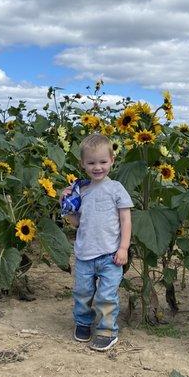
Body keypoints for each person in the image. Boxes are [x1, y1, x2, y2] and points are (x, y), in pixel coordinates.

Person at [60, 133, 133, 351]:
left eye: (102, 162)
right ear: (83, 164)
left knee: (106, 295)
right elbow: (76, 222)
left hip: (111, 255)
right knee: (82, 293)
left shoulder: (116, 188)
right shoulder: (81, 191)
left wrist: (124, 247)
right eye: (91, 163)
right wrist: (64, 203)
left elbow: (125, 219)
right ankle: (83, 322)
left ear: (112, 160)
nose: (97, 167)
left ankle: (106, 331)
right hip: (85, 254)